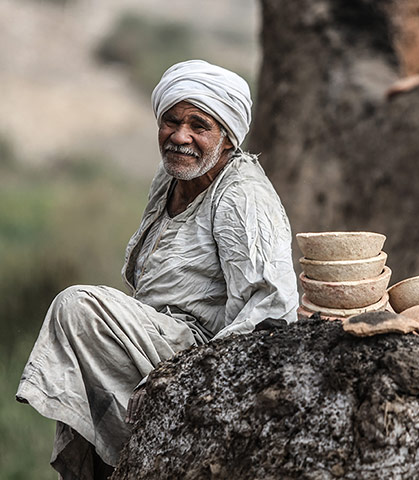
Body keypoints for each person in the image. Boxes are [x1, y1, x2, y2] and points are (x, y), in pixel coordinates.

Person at [15, 59, 300, 480]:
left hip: (200, 356)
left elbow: (271, 307)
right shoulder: (171, 178)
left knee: (76, 306)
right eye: (171, 121)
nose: (180, 137)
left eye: (199, 126)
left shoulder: (243, 195)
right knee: (83, 358)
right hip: (157, 339)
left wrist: (206, 381)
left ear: (226, 139)